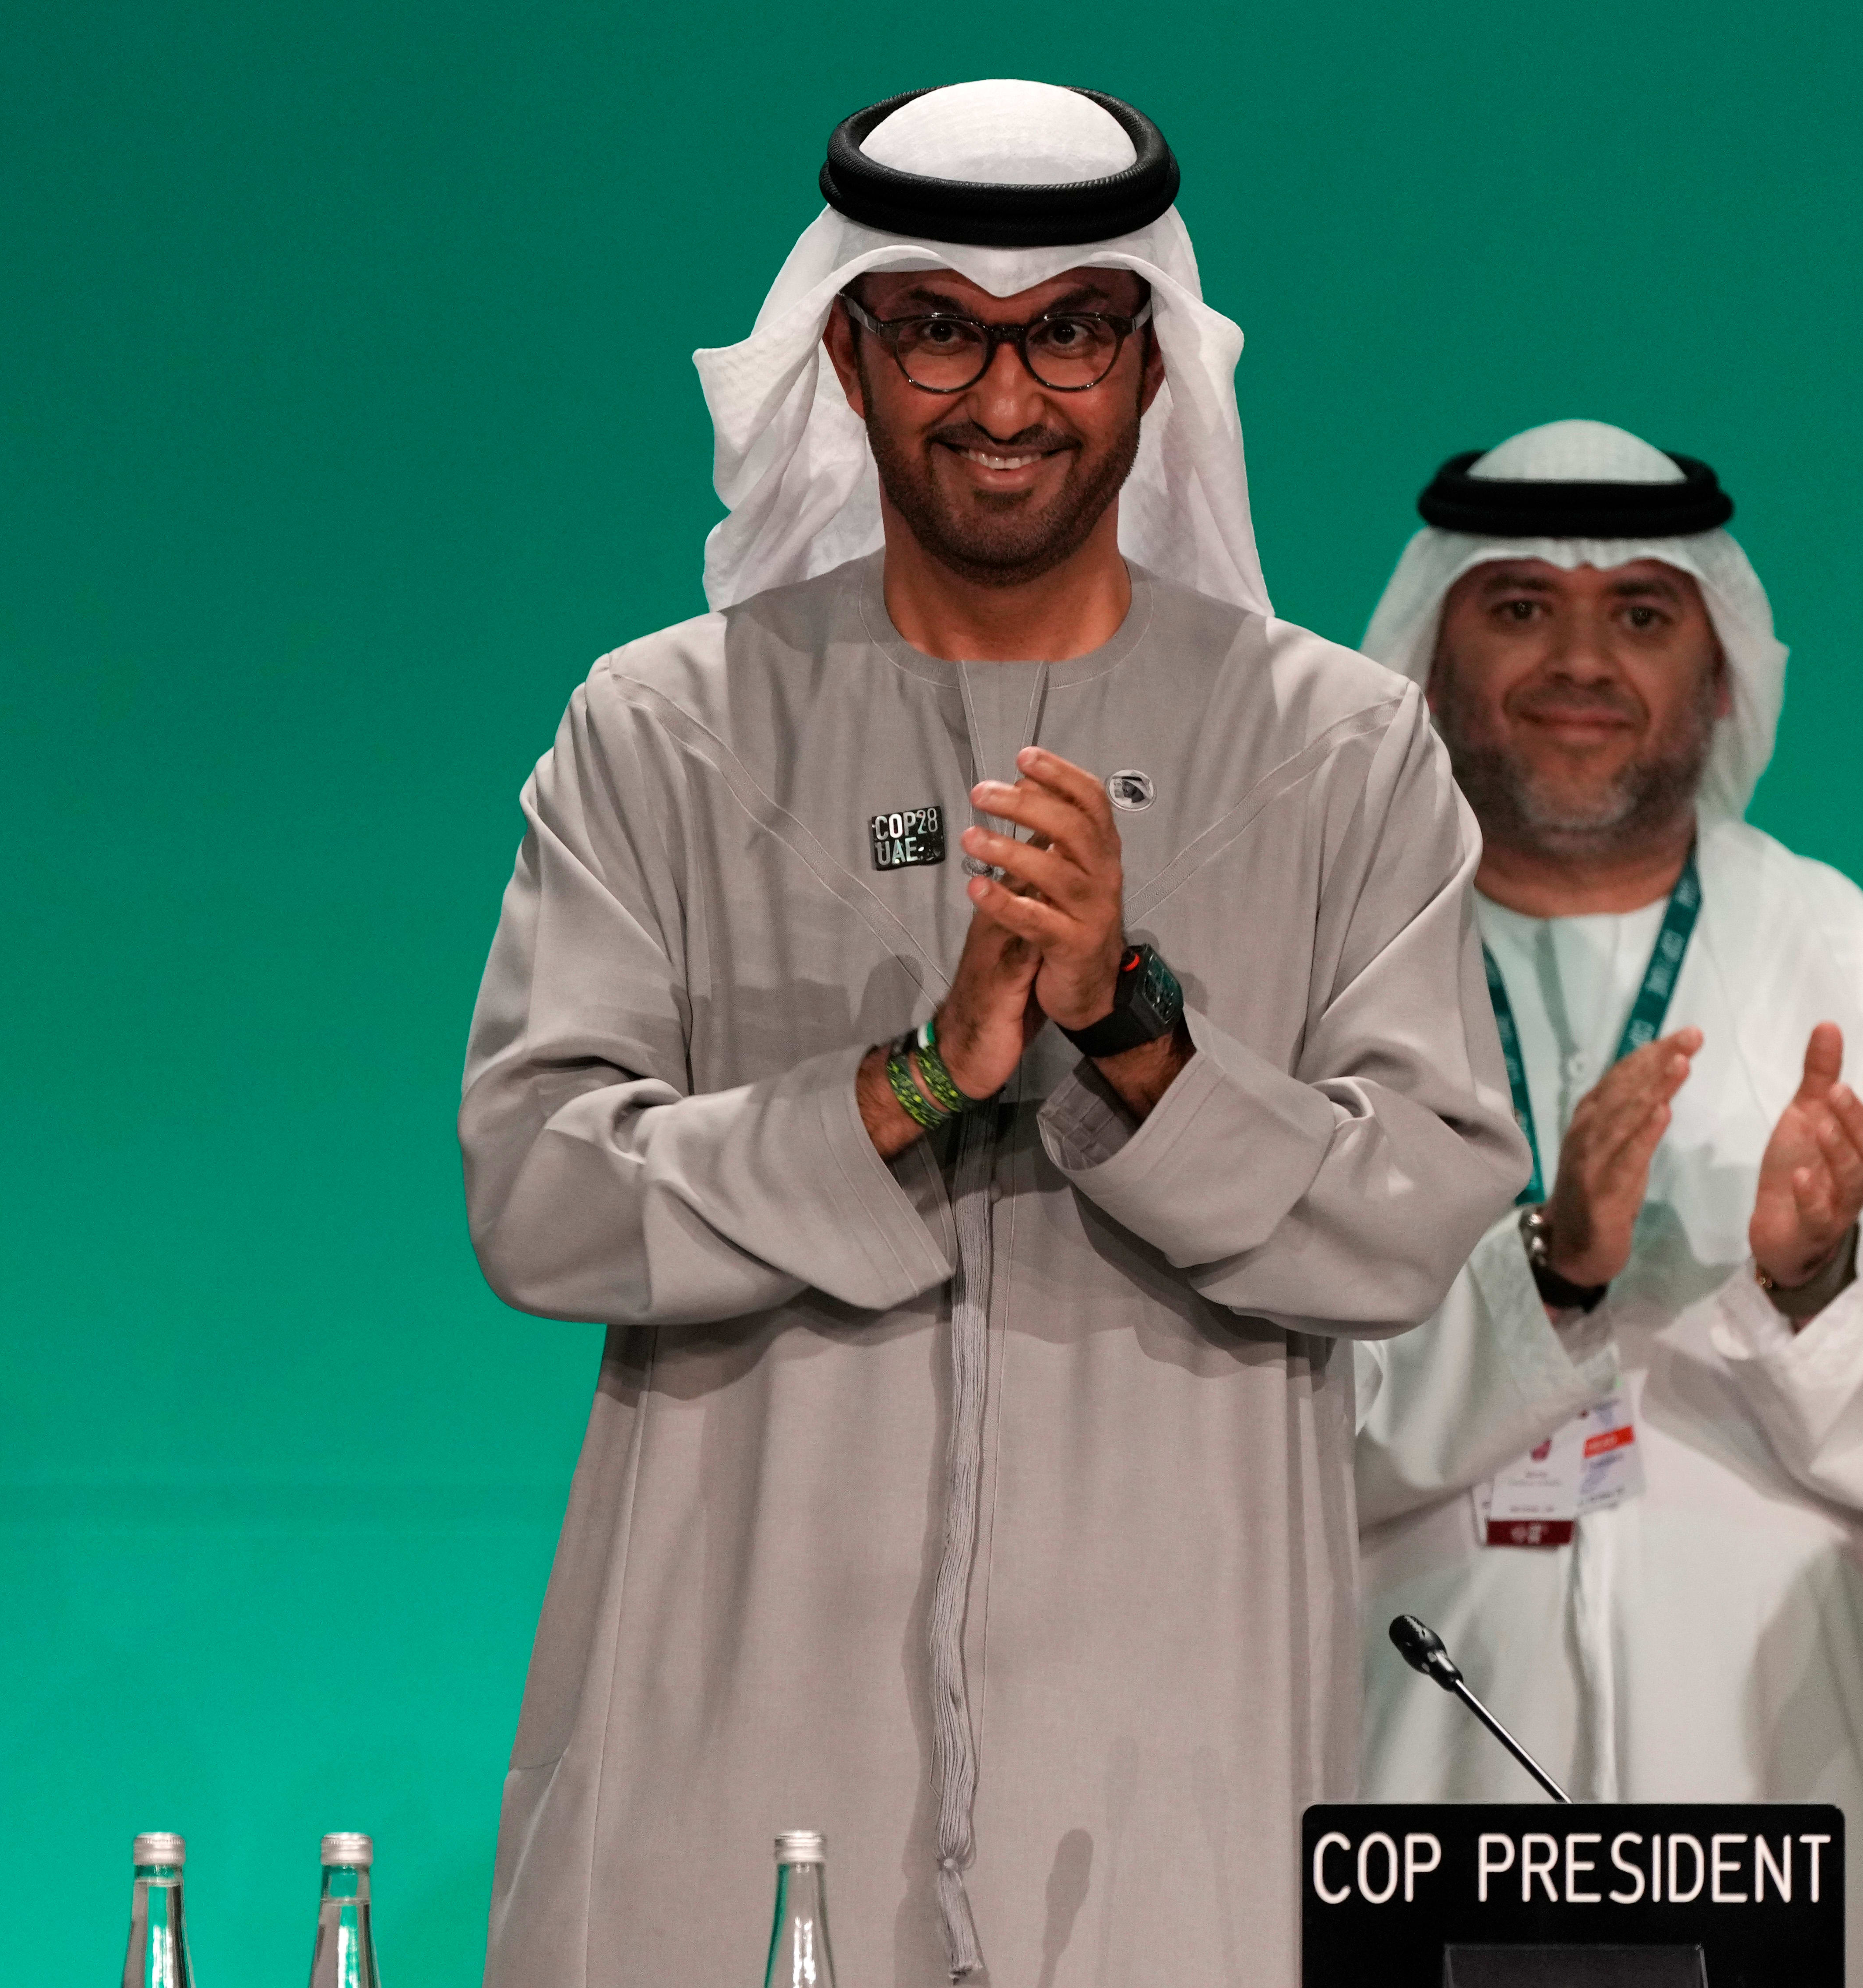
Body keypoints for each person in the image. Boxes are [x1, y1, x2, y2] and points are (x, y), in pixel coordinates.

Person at [458, 80, 1526, 1988]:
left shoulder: (1338, 754)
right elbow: (539, 1198)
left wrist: (1130, 1029)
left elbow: (1410, 1217)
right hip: (733, 1753)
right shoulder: (665, 731)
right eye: (941, 328)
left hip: (1170, 1779)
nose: (1008, 397)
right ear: (847, 355)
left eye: (1071, 333)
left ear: (1153, 362)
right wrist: (912, 1082)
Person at [1351, 420, 1863, 1988]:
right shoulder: (1326, 977)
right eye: (1520, 607)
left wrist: (1822, 1291)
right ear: (1427, 661)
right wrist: (1549, 1277)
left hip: (1788, 1830)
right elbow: (1235, 1422)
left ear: (1720, 676)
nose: (1582, 660)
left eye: (1642, 612)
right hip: (1407, 1802)